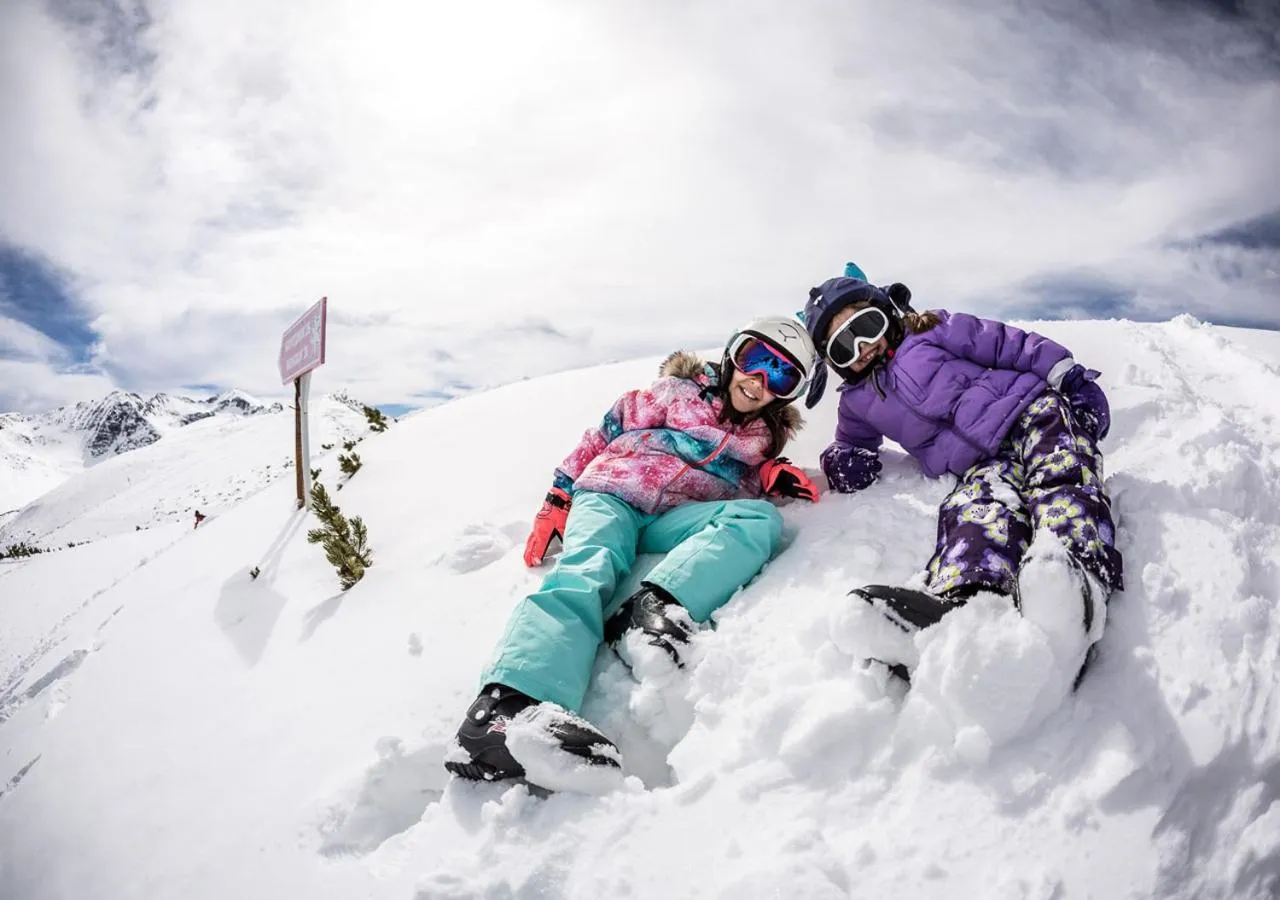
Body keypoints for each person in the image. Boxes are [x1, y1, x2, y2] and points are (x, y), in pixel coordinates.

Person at [445, 316, 822, 788]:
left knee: (758, 520)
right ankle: (503, 712)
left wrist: (769, 475)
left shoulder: (760, 439)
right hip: (614, 492)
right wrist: (560, 494)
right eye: (754, 360)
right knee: (587, 571)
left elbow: (747, 479)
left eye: (781, 375)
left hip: (672, 517)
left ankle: (652, 609)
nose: (760, 380)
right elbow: (606, 429)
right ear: (732, 355)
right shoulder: (677, 392)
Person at [801, 265, 1122, 688]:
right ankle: (963, 606)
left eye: (866, 327)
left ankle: (1071, 572)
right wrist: (843, 460)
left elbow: (1010, 344)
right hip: (978, 462)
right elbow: (849, 442)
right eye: (843, 347)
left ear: (885, 313)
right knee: (975, 509)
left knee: (1060, 472)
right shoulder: (857, 402)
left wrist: (1068, 376)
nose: (861, 347)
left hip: (1030, 410)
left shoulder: (933, 330)